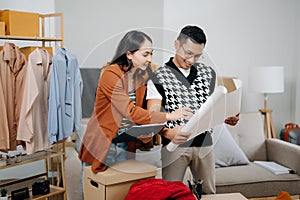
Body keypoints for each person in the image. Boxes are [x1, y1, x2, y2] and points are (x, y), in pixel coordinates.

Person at [78, 30, 192, 173]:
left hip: (125, 144)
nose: (150, 59)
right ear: (129, 54)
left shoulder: (140, 78)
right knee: (97, 192)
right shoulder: (111, 74)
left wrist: (152, 130)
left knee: (122, 192)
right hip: (103, 144)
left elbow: (146, 113)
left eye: (151, 54)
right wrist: (170, 116)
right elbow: (130, 111)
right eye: (145, 54)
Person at [146, 25, 239, 194]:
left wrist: (225, 116)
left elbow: (211, 107)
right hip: (174, 146)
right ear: (176, 44)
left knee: (209, 194)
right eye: (188, 53)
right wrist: (167, 133)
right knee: (171, 195)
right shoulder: (158, 77)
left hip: (205, 144)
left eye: (197, 55)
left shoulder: (208, 74)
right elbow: (152, 116)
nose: (191, 60)